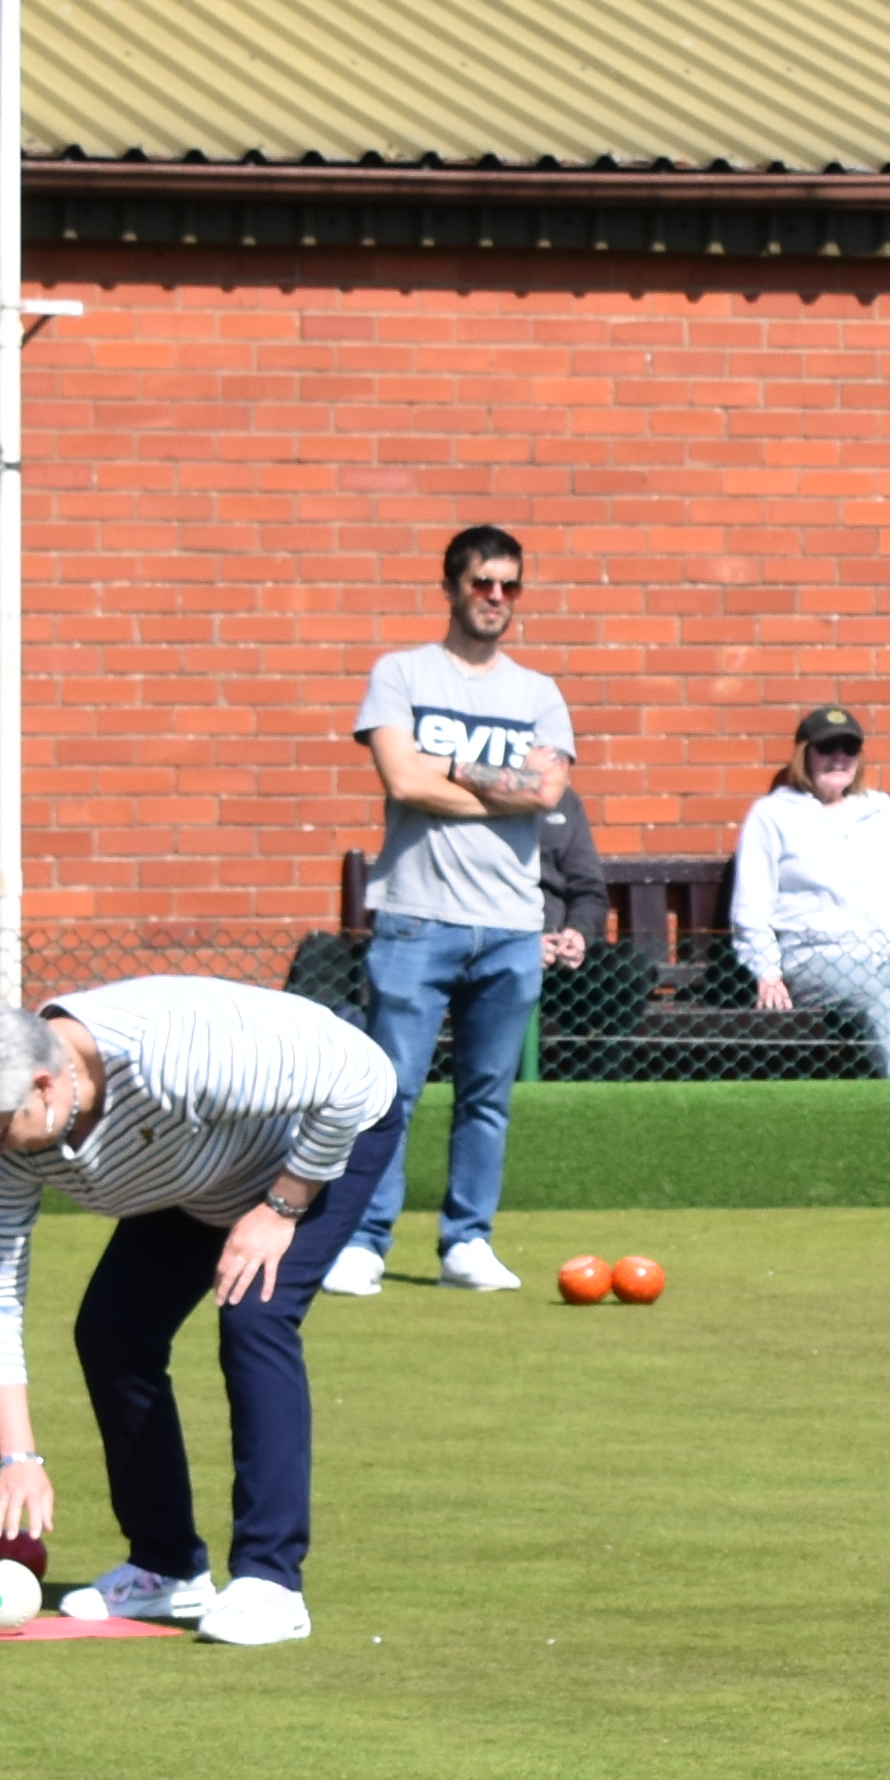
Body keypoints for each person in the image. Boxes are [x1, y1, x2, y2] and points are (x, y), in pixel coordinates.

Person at [0, 973, 403, 1647]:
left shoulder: (169, 1053)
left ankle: (271, 1583)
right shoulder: (16, 1146)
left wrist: (282, 1207)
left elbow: (356, 1076)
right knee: (113, 1333)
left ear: (44, 1085)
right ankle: (166, 1567)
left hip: (317, 1144)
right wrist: (17, 1456)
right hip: (197, 1172)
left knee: (255, 1316)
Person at [338, 521, 573, 1295]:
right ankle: (363, 1242)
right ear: (451, 588)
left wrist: (448, 767)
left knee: (487, 1098)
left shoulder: (538, 694)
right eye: (482, 583)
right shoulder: (401, 675)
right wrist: (502, 789)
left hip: (511, 925)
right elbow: (402, 782)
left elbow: (549, 790)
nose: (496, 597)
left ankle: (467, 1242)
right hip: (416, 916)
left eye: (510, 585)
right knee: (390, 1092)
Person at [735, 703, 890, 1077]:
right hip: (818, 956)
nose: (839, 758)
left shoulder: (879, 809)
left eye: (849, 748)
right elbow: (752, 904)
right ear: (805, 755)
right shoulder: (773, 815)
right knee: (881, 1006)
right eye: (827, 748)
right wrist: (767, 971)